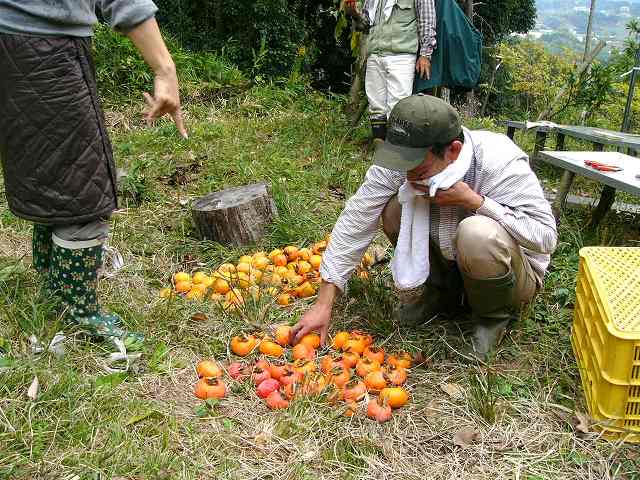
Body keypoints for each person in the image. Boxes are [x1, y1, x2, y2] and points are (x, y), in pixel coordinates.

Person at [292, 95, 558, 359]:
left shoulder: (497, 161)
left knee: (476, 232)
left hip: (512, 276)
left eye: (417, 169)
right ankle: (440, 293)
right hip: (454, 264)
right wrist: (323, 303)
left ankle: (491, 318)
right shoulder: (403, 160)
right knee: (392, 208)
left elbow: (545, 237)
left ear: (452, 151)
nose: (407, 175)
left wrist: (475, 202)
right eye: (402, 164)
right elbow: (358, 216)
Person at [0, 0, 187, 344]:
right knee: (83, 186)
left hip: (16, 42)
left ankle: (53, 284)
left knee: (50, 168)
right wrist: (164, 69)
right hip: (44, 46)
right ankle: (76, 311)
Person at [346, 0, 436, 144]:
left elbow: (427, 21)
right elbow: (366, 24)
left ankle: (396, 151)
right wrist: (355, 14)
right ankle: (379, 148)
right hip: (375, 53)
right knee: (376, 105)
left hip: (402, 55)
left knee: (399, 106)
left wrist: (425, 54)